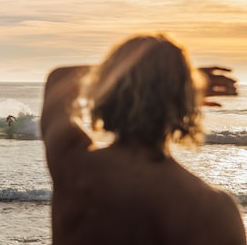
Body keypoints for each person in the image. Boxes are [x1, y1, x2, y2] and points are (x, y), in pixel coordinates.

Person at [41, 35, 246, 245]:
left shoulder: (73, 164)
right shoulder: (208, 206)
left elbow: (60, 78)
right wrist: (180, 81)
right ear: (184, 101)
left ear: (109, 92)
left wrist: (136, 74)